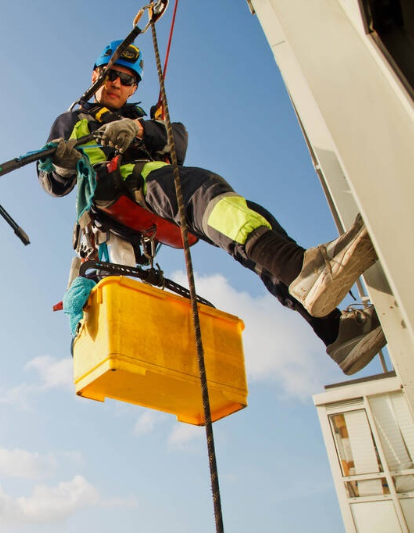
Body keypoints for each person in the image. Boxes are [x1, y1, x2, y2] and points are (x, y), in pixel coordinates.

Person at [38, 40, 386, 376]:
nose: (116, 82)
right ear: (95, 74)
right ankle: (301, 270)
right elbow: (54, 183)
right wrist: (65, 163)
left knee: (249, 220)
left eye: (126, 79)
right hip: (112, 191)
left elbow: (178, 142)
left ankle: (335, 332)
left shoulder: (147, 123)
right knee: (201, 189)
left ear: (133, 88)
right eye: (110, 74)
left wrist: (139, 128)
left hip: (152, 200)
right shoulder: (74, 121)